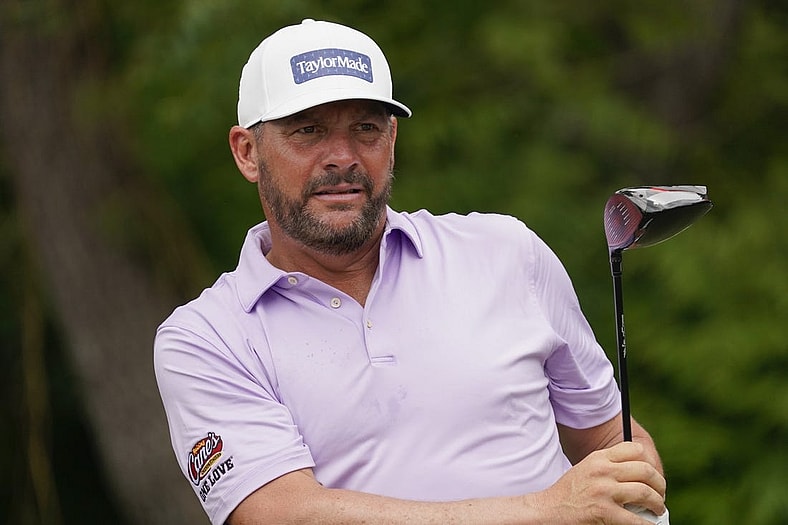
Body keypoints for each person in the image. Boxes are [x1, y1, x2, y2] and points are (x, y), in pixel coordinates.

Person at [154, 18, 668, 525]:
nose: (342, 157)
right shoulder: (206, 338)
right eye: (308, 131)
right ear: (248, 152)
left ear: (392, 138)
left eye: (366, 129)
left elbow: (607, 438)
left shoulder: (507, 252)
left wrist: (634, 495)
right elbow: (283, 513)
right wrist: (547, 511)